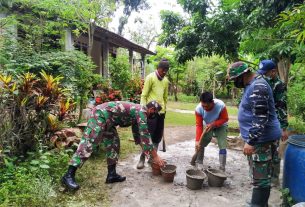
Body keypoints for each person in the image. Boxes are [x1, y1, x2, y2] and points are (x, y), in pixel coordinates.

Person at [61, 101, 165, 190]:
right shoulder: (142, 112)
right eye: (155, 112)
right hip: (100, 115)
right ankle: (68, 175)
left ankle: (111, 175)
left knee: (114, 143)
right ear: (151, 109)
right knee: (89, 143)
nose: (155, 115)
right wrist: (156, 157)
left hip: (109, 121)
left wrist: (149, 155)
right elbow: (146, 136)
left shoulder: (139, 112)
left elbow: (139, 135)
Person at [228, 61, 281, 207]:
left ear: (242, 75)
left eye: (234, 79)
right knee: (259, 175)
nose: (234, 83)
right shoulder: (252, 85)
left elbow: (261, 117)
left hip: (262, 141)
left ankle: (257, 205)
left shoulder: (258, 86)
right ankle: (258, 203)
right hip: (261, 139)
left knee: (261, 178)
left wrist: (251, 141)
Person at [257, 59, 288, 185]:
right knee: (262, 150)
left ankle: (274, 179)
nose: (263, 75)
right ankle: (262, 177)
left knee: (275, 152)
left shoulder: (278, 85)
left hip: (274, 123)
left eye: (266, 73)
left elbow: (281, 106)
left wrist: (283, 127)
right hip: (263, 121)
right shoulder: (261, 82)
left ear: (273, 72)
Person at [137, 58, 169, 169]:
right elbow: (144, 95)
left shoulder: (165, 81)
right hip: (151, 112)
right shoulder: (150, 77)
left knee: (157, 137)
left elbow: (165, 97)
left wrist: (165, 110)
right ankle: (142, 158)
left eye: (166, 70)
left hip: (161, 113)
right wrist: (143, 110)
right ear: (158, 68)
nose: (164, 72)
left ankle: (152, 158)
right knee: (148, 136)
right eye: (163, 70)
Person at [192, 91, 229, 172]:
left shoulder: (220, 105)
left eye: (207, 106)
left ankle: (222, 168)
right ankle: (199, 162)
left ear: (212, 102)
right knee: (201, 143)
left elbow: (225, 118)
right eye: (203, 106)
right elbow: (199, 125)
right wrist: (197, 141)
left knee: (222, 145)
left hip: (221, 124)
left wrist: (214, 124)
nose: (205, 108)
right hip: (208, 125)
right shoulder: (198, 109)